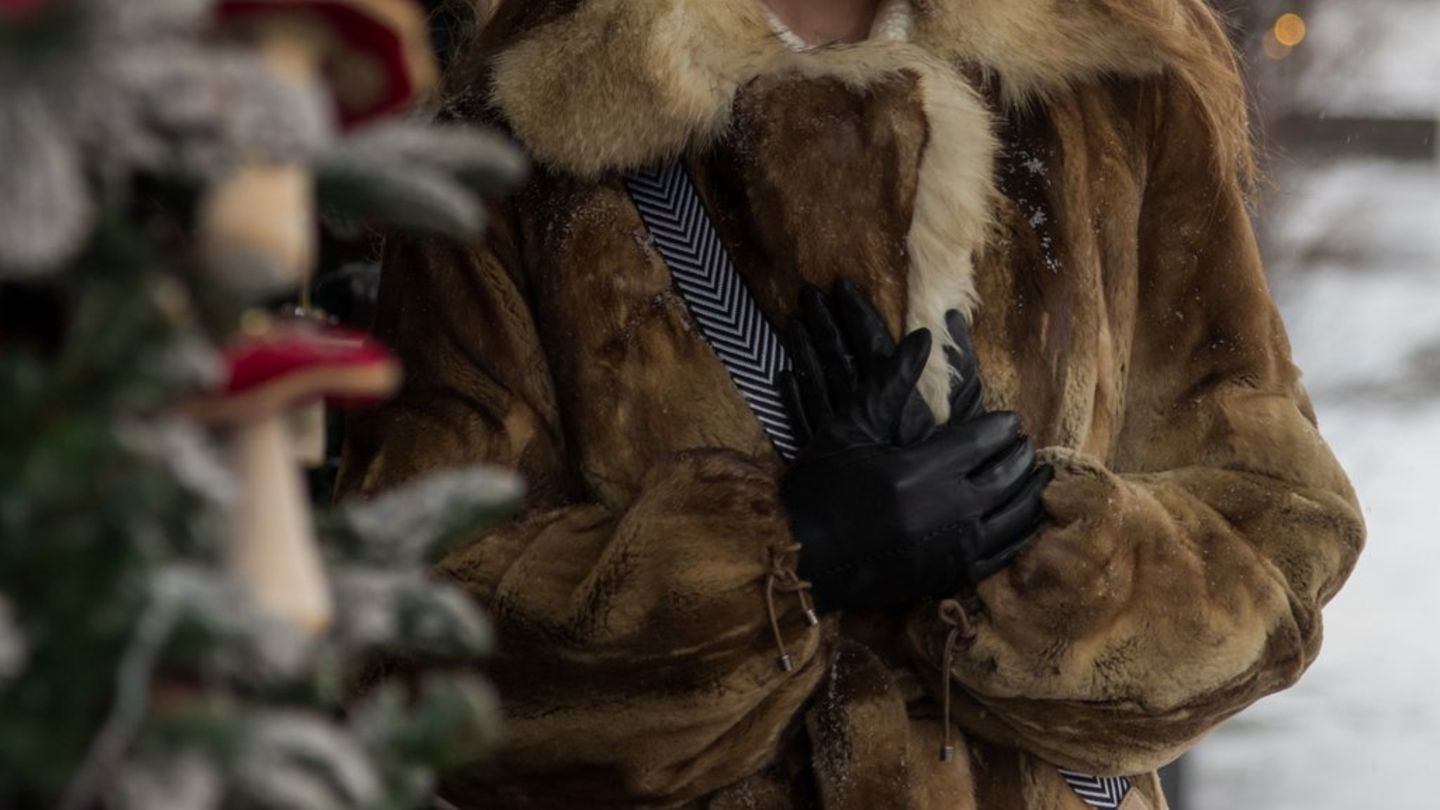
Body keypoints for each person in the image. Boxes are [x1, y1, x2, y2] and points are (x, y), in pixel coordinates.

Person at [338, 0, 1365, 807]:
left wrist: (1033, 550)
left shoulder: (1115, 82)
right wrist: (791, 553)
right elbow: (407, 643)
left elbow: (1281, 528)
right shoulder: (529, 131)